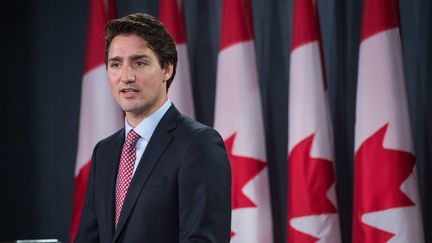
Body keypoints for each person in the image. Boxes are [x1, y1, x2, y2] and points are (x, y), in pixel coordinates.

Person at [74, 12, 231, 243]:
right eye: (115, 64)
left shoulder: (199, 144)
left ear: (166, 69)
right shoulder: (104, 152)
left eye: (139, 63)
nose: (126, 76)